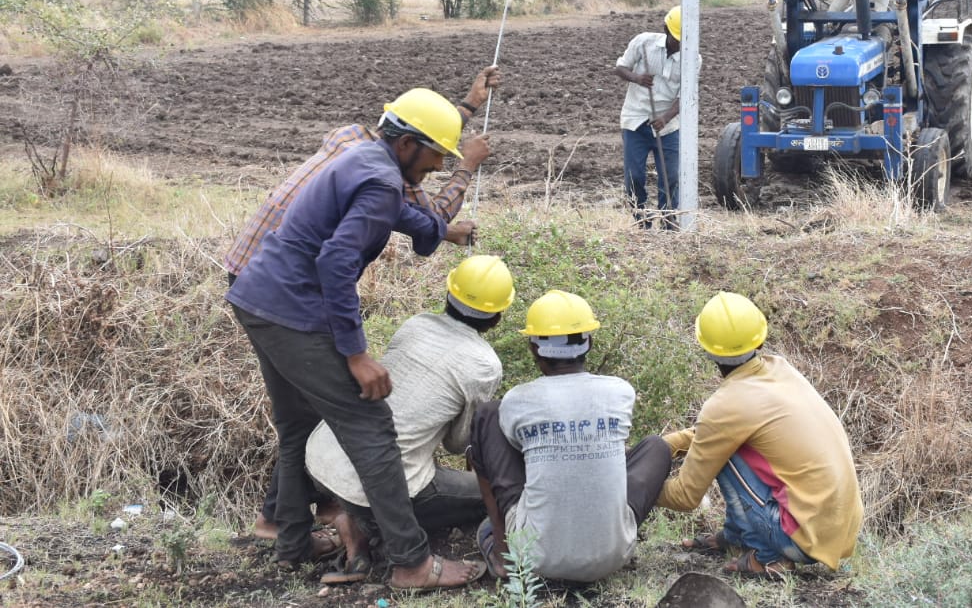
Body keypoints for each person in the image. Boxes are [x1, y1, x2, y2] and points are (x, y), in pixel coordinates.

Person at [226, 86, 485, 591]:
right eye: (436, 155)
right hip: (291, 311)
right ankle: (412, 563)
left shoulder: (365, 156)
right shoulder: (383, 179)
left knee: (297, 421)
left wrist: (440, 231)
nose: (436, 167)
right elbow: (336, 264)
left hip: (258, 297)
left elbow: (395, 214)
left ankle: (292, 541)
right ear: (408, 143)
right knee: (372, 428)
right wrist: (357, 354)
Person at [305, 254, 515, 586]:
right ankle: (368, 524)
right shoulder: (484, 364)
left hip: (323, 458)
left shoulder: (416, 323)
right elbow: (458, 443)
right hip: (382, 481)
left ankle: (353, 524)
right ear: (497, 318)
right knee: (491, 495)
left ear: (448, 295)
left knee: (388, 469)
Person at [468, 290, 670, 583]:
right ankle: (604, 535)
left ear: (534, 349)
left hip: (535, 556)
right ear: (590, 343)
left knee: (488, 415)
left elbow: (513, 452)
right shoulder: (620, 391)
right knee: (657, 447)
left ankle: (502, 553)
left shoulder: (517, 400)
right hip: (613, 557)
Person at [658, 292, 864, 580]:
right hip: (836, 528)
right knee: (725, 443)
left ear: (706, 349)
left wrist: (633, 485)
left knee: (723, 451)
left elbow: (685, 496)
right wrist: (662, 446)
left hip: (801, 541)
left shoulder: (725, 405)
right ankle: (736, 537)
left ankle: (766, 556)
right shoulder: (780, 370)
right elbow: (711, 432)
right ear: (760, 338)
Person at [613, 6, 701, 228]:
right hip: (636, 120)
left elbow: (686, 96)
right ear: (666, 29)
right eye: (676, 39)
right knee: (634, 177)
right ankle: (642, 221)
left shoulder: (693, 59)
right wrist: (636, 78)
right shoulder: (643, 43)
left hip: (668, 127)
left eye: (684, 40)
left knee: (671, 177)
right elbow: (620, 67)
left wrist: (666, 117)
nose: (680, 44)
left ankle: (669, 223)